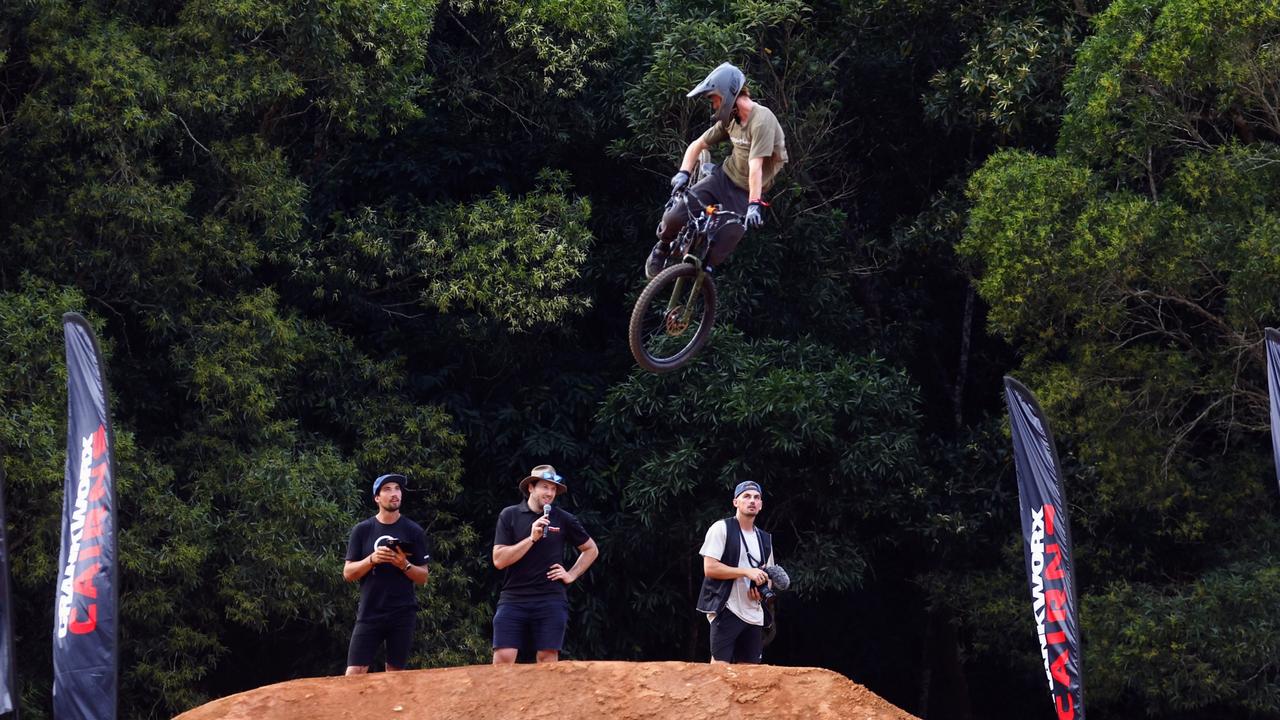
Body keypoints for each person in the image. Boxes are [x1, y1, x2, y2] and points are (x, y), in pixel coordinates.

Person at [648, 62, 789, 279]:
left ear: (726, 94)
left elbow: (755, 167)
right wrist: (683, 173)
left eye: (714, 99)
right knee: (675, 214)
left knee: (725, 240)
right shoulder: (730, 120)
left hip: (746, 191)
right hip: (723, 178)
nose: (714, 106)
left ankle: (701, 283)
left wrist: (753, 205)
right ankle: (662, 246)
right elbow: (697, 145)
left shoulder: (762, 120)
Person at [491, 464, 599, 664]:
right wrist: (531, 538)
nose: (550, 493)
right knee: (504, 656)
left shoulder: (564, 519)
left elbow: (591, 549)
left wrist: (571, 574)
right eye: (544, 487)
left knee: (547, 658)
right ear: (531, 487)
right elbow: (499, 560)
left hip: (550, 598)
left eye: (553, 489)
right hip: (514, 597)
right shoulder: (510, 515)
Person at [342, 473, 430, 675]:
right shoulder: (362, 530)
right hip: (370, 611)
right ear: (376, 498)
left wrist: (404, 564)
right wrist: (372, 559)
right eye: (387, 489)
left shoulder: (413, 531)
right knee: (354, 672)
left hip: (402, 613)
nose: (394, 494)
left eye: (397, 489)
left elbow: (423, 576)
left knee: (395, 674)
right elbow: (347, 573)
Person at [696, 480, 775, 664]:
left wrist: (761, 589)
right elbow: (710, 568)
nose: (752, 501)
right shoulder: (721, 528)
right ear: (735, 502)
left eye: (756, 497)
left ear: (761, 505)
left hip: (754, 613)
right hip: (727, 608)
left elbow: (768, 577)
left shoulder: (765, 539)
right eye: (746, 496)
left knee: (749, 677)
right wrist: (746, 572)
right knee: (720, 671)